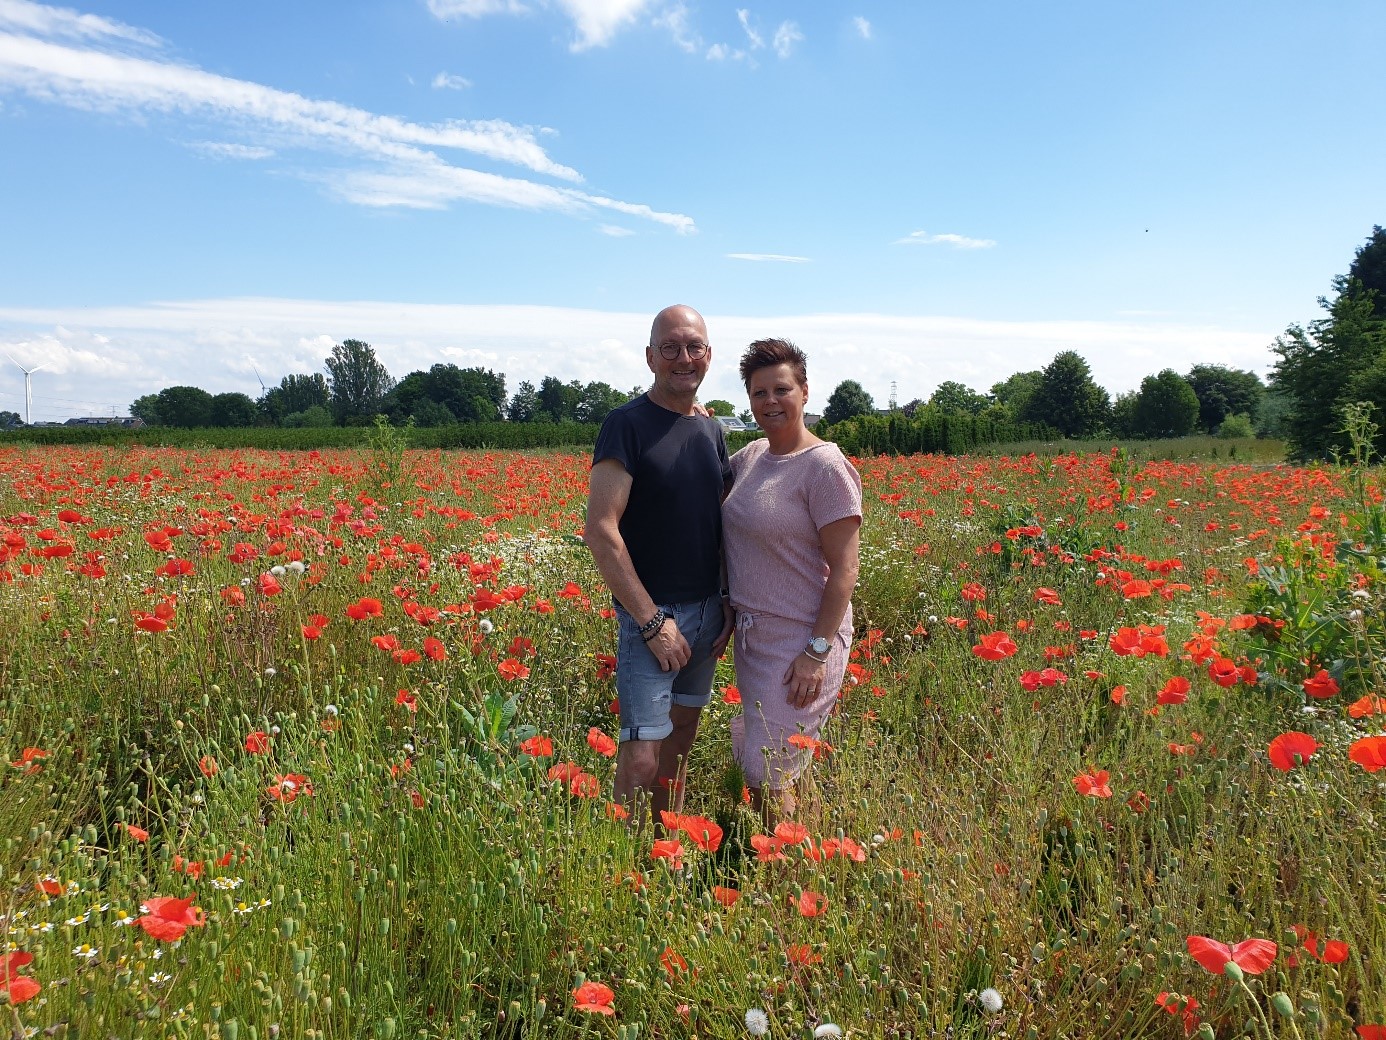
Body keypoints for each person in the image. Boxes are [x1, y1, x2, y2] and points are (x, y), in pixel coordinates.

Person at [586, 305, 735, 825]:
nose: (683, 358)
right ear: (650, 357)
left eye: (694, 347)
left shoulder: (712, 432)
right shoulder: (626, 426)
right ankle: (620, 870)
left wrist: (725, 598)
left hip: (707, 616)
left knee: (679, 748)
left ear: (709, 356)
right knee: (642, 758)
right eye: (669, 348)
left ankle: (664, 852)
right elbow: (601, 531)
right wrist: (651, 622)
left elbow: (715, 527)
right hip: (654, 619)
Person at [722, 338, 861, 823]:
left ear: (804, 391)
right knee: (769, 761)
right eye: (759, 393)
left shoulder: (824, 467)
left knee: (768, 770)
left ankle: (786, 881)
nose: (770, 402)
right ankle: (806, 855)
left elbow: (845, 570)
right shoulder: (752, 456)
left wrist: (816, 652)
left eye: (782, 389)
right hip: (755, 637)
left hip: (802, 639)